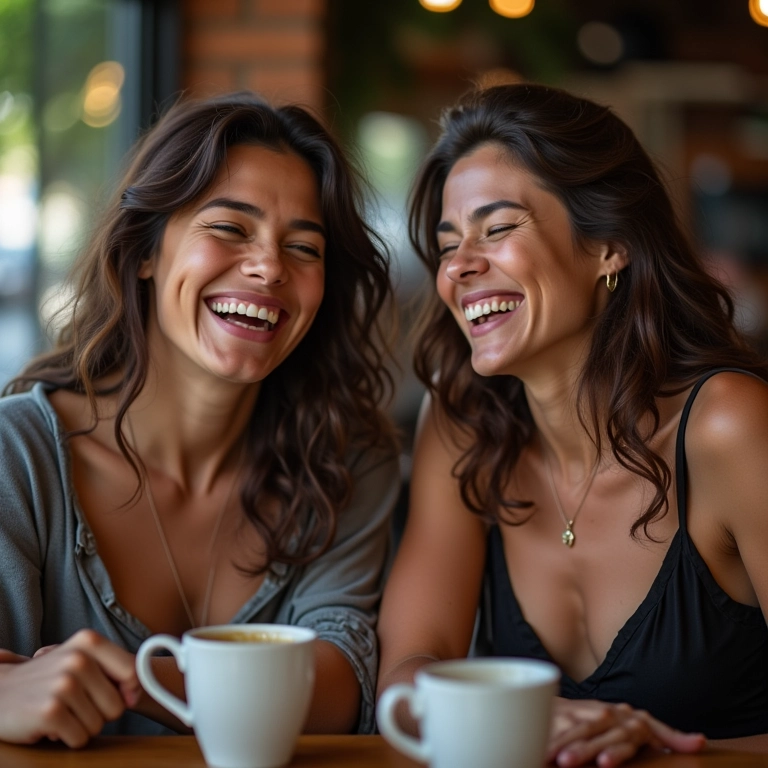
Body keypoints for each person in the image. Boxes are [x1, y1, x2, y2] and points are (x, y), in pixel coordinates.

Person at [376, 82, 768, 767]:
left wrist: (665, 751)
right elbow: (407, 670)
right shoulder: (464, 425)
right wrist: (507, 717)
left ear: (609, 245)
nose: (460, 267)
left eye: (497, 229)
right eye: (448, 244)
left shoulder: (728, 426)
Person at [0, 91, 400, 745]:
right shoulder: (18, 453)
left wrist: (137, 680)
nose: (269, 266)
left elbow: (340, 687)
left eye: (304, 247)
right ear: (147, 251)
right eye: (229, 228)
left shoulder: (345, 460)